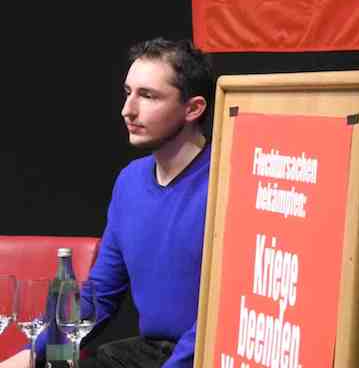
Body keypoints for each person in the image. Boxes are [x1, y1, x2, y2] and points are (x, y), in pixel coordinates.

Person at [1, 37, 215, 368]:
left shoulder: (226, 182)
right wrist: (31, 354)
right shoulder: (130, 181)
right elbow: (99, 296)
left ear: (193, 109)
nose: (128, 110)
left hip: (205, 354)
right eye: (128, 92)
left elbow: (223, 311)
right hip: (146, 353)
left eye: (148, 96)